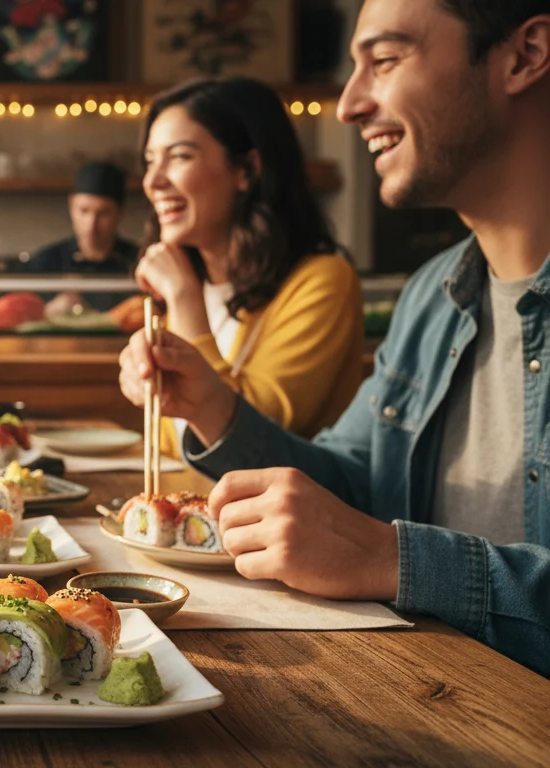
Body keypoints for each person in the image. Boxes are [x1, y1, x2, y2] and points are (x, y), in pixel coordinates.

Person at [119, 0, 550, 675]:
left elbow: (373, 543)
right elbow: (352, 487)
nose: (348, 105)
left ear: (524, 56)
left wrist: (395, 560)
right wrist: (213, 409)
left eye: (386, 60)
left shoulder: (332, 279)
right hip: (421, 689)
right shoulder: (432, 295)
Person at [133, 77, 363, 452]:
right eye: (149, 161)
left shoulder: (323, 281)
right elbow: (174, 443)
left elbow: (253, 440)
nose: (153, 181)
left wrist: (184, 298)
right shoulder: (191, 280)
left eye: (179, 157)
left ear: (247, 170)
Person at [27, 161, 139, 314]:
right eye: (84, 211)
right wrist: (48, 311)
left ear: (120, 212)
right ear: (71, 207)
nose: (91, 224)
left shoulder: (137, 261)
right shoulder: (45, 263)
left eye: (103, 213)